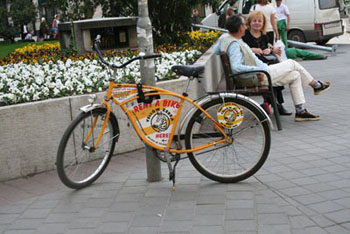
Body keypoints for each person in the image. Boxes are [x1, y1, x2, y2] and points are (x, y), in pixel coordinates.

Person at [213, 14, 331, 121]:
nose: (246, 26)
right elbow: (236, 68)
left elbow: (216, 50)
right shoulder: (234, 44)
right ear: (239, 28)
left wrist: (226, 37)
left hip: (261, 71)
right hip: (261, 74)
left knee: (295, 75)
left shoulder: (227, 38)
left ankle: (300, 111)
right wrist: (256, 71)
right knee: (292, 63)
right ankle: (316, 85)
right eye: (244, 24)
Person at [242, 10, 291, 115]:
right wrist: (252, 49)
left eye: (260, 21)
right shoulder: (245, 35)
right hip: (254, 67)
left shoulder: (264, 35)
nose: (257, 23)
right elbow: (241, 50)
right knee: (274, 74)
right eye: (254, 21)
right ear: (249, 22)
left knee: (274, 71)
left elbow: (267, 48)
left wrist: (269, 50)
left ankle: (270, 103)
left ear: (263, 23)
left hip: (266, 64)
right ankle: (277, 104)